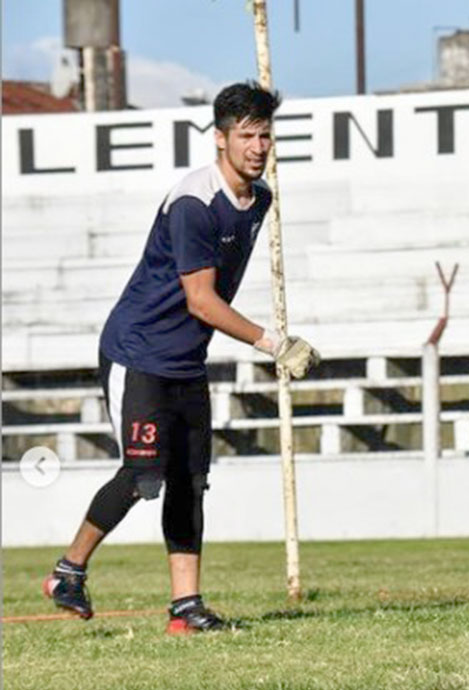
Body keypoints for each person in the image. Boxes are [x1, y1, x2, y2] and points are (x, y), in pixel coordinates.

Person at [42, 82, 320, 633]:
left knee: (190, 481)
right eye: (246, 136)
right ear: (220, 139)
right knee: (144, 474)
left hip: (187, 358)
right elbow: (201, 300)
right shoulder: (195, 203)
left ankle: (186, 608)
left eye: (265, 136)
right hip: (139, 352)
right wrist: (274, 343)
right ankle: (68, 571)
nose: (258, 147)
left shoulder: (261, 199)